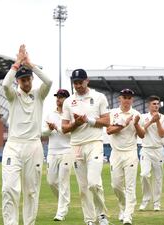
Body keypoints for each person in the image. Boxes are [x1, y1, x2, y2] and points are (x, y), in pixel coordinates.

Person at [1, 44, 52, 225]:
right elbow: (5, 84)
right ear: (18, 81)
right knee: (9, 188)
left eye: (28, 79)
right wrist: (16, 64)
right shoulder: (13, 96)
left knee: (31, 191)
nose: (26, 82)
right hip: (14, 145)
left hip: (33, 145)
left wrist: (31, 64)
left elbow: (49, 82)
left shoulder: (39, 94)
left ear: (31, 78)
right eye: (22, 80)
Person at [61, 69, 110, 225]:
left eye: (80, 82)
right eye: (75, 83)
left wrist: (88, 120)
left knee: (94, 183)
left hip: (94, 143)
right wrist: (76, 123)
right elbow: (64, 128)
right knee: (83, 187)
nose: (78, 86)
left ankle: (102, 216)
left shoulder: (98, 97)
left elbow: (107, 121)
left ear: (87, 80)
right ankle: (89, 219)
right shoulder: (69, 102)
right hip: (76, 146)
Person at [106, 88, 143, 225]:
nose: (127, 100)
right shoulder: (113, 113)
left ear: (132, 100)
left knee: (130, 186)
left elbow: (142, 135)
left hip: (130, 153)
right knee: (116, 185)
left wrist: (137, 123)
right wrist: (124, 123)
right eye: (124, 97)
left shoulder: (136, 114)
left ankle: (128, 216)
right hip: (115, 153)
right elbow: (109, 130)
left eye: (129, 98)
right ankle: (123, 207)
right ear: (119, 99)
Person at [42, 89, 73, 221]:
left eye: (61, 97)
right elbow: (43, 133)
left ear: (67, 99)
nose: (58, 99)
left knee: (63, 181)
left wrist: (57, 128)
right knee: (51, 181)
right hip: (52, 152)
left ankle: (61, 212)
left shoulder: (71, 115)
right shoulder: (50, 114)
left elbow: (73, 134)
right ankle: (64, 201)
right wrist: (49, 129)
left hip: (67, 151)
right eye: (57, 97)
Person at [138, 95, 164, 211]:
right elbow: (141, 132)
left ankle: (156, 203)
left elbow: (162, 134)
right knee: (144, 174)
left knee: (158, 178)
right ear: (148, 105)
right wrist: (151, 121)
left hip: (158, 149)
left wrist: (158, 121)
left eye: (157, 104)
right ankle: (146, 199)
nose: (156, 106)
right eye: (153, 104)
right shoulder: (143, 117)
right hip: (146, 149)